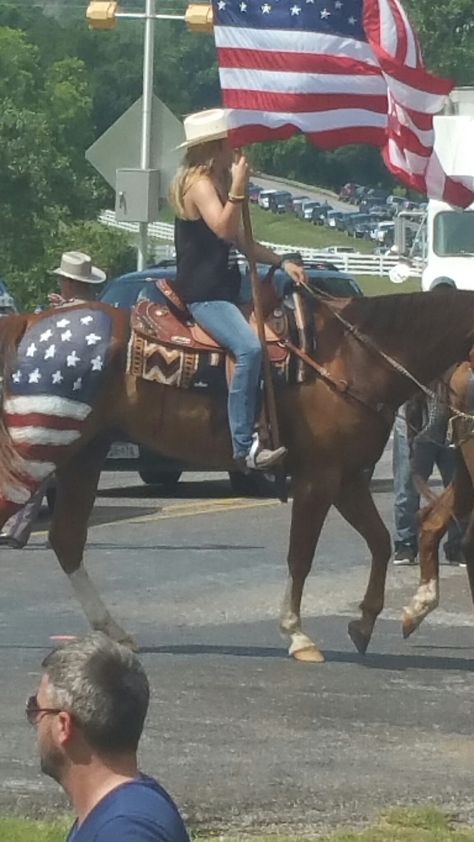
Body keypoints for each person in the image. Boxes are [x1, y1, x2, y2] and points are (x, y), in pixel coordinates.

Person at [169, 108, 308, 473]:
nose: (237, 151)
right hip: (206, 295)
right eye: (231, 144)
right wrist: (238, 188)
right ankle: (244, 445)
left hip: (226, 292)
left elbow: (244, 242)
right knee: (249, 348)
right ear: (214, 147)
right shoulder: (198, 185)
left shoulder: (212, 182)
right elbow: (225, 231)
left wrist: (279, 262)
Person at [26, 633, 190, 842]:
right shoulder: (124, 811)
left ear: (63, 726)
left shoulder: (125, 831)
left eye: (36, 708)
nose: (36, 721)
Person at [0, 251, 106, 549]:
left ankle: (17, 527)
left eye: (63, 280)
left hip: (64, 398)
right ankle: (25, 528)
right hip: (80, 402)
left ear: (69, 283)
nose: (60, 284)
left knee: (40, 464)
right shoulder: (96, 313)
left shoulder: (69, 320)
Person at [392, 393, 464, 566]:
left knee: (458, 488)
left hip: (448, 429)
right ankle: (406, 544)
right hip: (412, 428)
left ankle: (457, 546)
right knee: (406, 490)